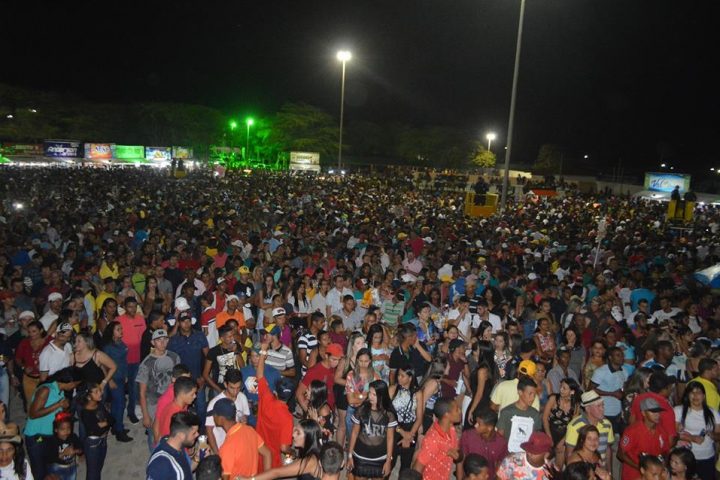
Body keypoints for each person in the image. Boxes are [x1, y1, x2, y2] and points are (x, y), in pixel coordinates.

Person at [23, 367, 78, 480]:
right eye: (75, 384)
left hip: (50, 434)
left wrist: (64, 408)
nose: (75, 387)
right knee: (40, 471)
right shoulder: (46, 390)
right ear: (69, 382)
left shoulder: (60, 391)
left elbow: (57, 415)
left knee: (50, 470)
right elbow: (33, 413)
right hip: (37, 436)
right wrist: (58, 405)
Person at [137, 329, 181, 450]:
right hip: (154, 405)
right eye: (158, 340)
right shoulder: (146, 364)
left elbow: (180, 381)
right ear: (153, 342)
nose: (162, 342)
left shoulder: (174, 357)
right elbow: (142, 393)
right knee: (154, 436)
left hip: (172, 401)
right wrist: (145, 415)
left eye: (165, 339)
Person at [235, 419, 322, 480]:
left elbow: (277, 473)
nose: (293, 435)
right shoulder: (312, 448)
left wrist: (250, 479)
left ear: (309, 437)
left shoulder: (310, 461)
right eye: (295, 430)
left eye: (298, 433)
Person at [255, 340, 295, 468]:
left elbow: (260, 375)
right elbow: (284, 448)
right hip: (272, 460)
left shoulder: (266, 398)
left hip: (257, 451)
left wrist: (263, 351)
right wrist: (292, 452)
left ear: (276, 392)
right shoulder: (288, 418)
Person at [208, 398, 271, 479]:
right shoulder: (249, 430)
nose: (213, 417)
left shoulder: (227, 447)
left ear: (221, 419)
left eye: (214, 415)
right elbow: (267, 453)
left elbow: (225, 477)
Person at [348, 380, 397, 480]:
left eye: (374, 394)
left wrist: (388, 461)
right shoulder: (361, 410)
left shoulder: (389, 414)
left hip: (380, 457)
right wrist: (349, 456)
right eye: (369, 393)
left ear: (382, 396)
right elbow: (354, 433)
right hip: (360, 456)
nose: (370, 396)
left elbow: (390, 438)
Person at [168, 310, 209, 424]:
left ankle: (201, 430)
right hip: (181, 381)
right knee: (182, 410)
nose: (186, 324)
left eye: (188, 321)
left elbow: (208, 357)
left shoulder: (199, 335)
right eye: (183, 321)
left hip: (198, 378)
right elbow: (171, 361)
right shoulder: (174, 339)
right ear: (178, 323)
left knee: (201, 408)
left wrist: (204, 376)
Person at [673, 381, 719, 479]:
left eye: (699, 392)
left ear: (704, 396)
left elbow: (718, 435)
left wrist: (712, 435)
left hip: (706, 457)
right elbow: (672, 435)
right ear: (687, 395)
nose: (695, 395)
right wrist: (691, 437)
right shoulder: (678, 411)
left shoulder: (713, 413)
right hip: (685, 459)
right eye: (692, 392)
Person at [618, 397, 672, 480]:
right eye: (653, 412)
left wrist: (661, 467)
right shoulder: (632, 431)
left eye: (658, 411)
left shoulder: (662, 431)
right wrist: (639, 467)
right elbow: (620, 454)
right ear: (643, 413)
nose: (657, 414)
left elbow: (665, 451)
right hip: (633, 475)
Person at [564, 390, 615, 472]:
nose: (602, 409)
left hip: (601, 470)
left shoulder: (607, 424)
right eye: (598, 406)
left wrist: (609, 471)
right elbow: (569, 455)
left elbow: (608, 449)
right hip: (582, 472)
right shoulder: (575, 426)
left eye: (603, 405)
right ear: (587, 409)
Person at [413, 398, 462, 480]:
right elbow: (417, 469)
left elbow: (457, 454)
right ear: (447, 415)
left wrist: (458, 456)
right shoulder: (433, 440)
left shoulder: (451, 429)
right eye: (457, 409)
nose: (460, 411)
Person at [100, 321, 133, 442]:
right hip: (114, 379)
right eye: (118, 329)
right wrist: (109, 380)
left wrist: (126, 375)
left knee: (117, 404)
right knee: (120, 404)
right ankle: (119, 431)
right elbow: (102, 365)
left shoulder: (120, 342)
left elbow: (124, 361)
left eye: (121, 329)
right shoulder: (108, 347)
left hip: (121, 376)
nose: (121, 331)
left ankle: (115, 426)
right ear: (112, 332)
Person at [205, 368, 250, 453]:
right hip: (221, 446)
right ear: (225, 384)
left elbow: (245, 416)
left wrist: (244, 421)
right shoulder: (215, 403)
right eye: (232, 388)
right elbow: (209, 430)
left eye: (238, 388)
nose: (235, 392)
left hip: (237, 446)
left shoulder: (242, 397)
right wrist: (217, 453)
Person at [117, 297, 147, 425]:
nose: (133, 309)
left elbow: (144, 337)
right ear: (124, 307)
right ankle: (118, 413)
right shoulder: (118, 321)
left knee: (133, 386)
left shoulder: (140, 319)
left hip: (137, 358)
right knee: (120, 387)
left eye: (135, 306)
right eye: (130, 306)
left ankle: (131, 411)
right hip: (122, 360)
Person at [146, 411, 202, 480]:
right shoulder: (163, 466)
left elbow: (186, 470)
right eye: (194, 433)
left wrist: (197, 458)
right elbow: (181, 472)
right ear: (181, 436)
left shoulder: (170, 441)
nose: (197, 434)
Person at [389, 364, 424, 472]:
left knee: (406, 464)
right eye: (398, 375)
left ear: (410, 378)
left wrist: (409, 435)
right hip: (394, 427)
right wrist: (402, 432)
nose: (399, 377)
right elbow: (387, 414)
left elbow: (419, 418)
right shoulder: (392, 389)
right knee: (390, 461)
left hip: (411, 429)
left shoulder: (418, 393)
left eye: (402, 376)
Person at [542, 377, 580, 470]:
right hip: (548, 430)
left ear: (572, 392)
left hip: (564, 435)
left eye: (564, 388)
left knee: (558, 467)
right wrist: (549, 437)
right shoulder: (554, 399)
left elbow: (572, 427)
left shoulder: (575, 405)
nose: (561, 390)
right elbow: (544, 418)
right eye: (561, 387)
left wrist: (563, 442)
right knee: (544, 461)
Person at [459, 407, 507, 480]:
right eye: (476, 422)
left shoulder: (501, 443)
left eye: (479, 424)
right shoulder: (468, 436)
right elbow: (461, 460)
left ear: (489, 427)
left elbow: (500, 465)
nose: (475, 425)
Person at [497, 377, 542, 453]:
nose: (532, 398)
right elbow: (499, 437)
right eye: (530, 394)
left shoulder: (535, 414)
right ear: (520, 392)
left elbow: (536, 436)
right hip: (508, 453)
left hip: (527, 454)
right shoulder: (506, 412)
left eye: (534, 395)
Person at [590, 346, 627, 435]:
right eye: (618, 355)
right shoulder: (601, 371)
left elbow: (623, 388)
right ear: (610, 357)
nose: (621, 357)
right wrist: (612, 394)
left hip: (617, 411)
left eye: (622, 355)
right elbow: (591, 389)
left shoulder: (624, 371)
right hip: (603, 411)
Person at [78, 382, 112, 480]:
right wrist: (105, 423)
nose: (100, 393)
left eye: (100, 390)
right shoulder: (85, 412)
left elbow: (111, 419)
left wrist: (104, 423)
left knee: (98, 467)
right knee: (92, 472)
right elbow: (95, 429)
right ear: (88, 397)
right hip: (93, 444)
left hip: (103, 440)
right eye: (96, 392)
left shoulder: (99, 405)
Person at [13, 320, 49, 411]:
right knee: (30, 403)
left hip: (45, 378)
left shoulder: (48, 341)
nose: (31, 334)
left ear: (41, 330)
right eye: (29, 332)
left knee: (46, 403)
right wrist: (23, 367)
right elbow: (17, 358)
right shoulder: (24, 342)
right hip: (29, 378)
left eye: (34, 331)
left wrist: (45, 365)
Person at [296, 343, 342, 413]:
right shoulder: (314, 371)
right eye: (334, 359)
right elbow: (299, 393)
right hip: (318, 411)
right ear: (326, 356)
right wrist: (310, 414)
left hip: (330, 408)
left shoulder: (333, 368)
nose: (337, 363)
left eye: (339, 360)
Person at [153, 376, 198, 445]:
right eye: (192, 394)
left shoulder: (183, 405)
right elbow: (167, 440)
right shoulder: (173, 415)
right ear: (182, 395)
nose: (195, 396)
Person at [203, 325, 244, 395]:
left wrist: (235, 351)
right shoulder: (213, 351)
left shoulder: (236, 346)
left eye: (233, 335)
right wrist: (218, 390)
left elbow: (242, 366)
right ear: (222, 338)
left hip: (235, 387)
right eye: (229, 337)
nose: (232, 338)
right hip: (220, 388)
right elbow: (205, 374)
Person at [44, 413, 82, 480]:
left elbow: (81, 449)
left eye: (68, 428)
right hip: (57, 468)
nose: (66, 431)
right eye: (62, 429)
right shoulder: (52, 441)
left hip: (71, 466)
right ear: (56, 429)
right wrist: (64, 453)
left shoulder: (73, 437)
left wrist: (75, 451)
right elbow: (49, 459)